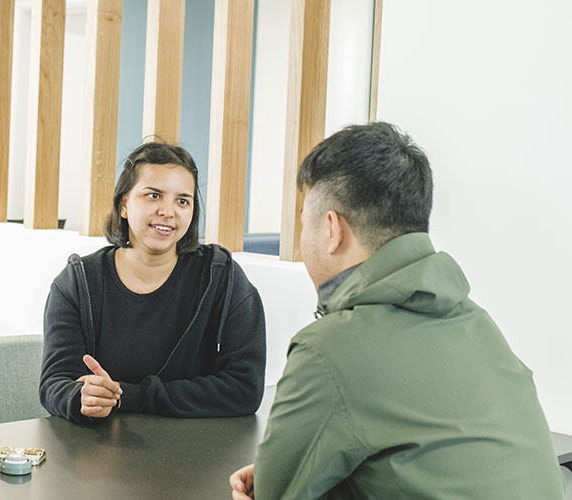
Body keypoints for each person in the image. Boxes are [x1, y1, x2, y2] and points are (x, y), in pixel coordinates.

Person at [229, 122, 565, 499]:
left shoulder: (330, 347)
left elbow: (274, 494)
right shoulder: (476, 322)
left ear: (331, 229)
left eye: (304, 221)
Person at [39, 141, 266, 423]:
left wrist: (129, 395)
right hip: (101, 452)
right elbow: (54, 384)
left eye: (182, 201)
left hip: (198, 453)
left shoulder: (220, 276)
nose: (168, 211)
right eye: (153, 195)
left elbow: (245, 389)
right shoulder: (78, 283)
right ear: (124, 204)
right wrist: (82, 397)